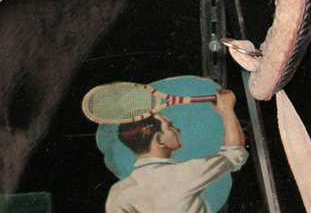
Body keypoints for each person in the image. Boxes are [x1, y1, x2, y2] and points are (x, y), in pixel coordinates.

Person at [105, 88, 248, 213]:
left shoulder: (118, 191)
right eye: (170, 126)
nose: (177, 130)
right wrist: (227, 110)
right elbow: (235, 152)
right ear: (159, 140)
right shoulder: (184, 173)